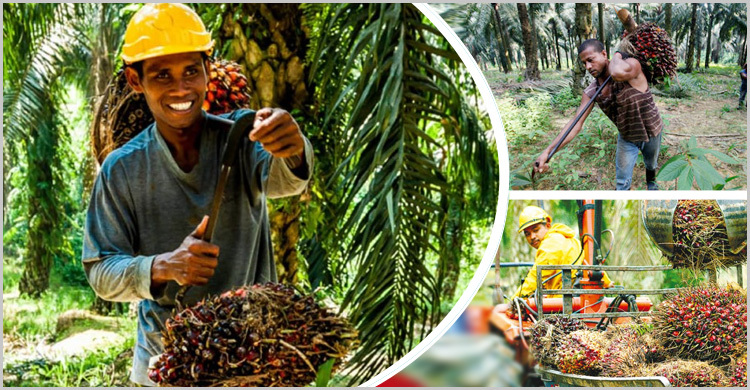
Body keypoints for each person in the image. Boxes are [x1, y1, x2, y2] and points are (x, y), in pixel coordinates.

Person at [81, 4, 313, 386]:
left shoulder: (242, 141)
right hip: (166, 365)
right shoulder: (121, 170)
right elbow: (102, 270)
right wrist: (164, 266)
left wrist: (292, 148)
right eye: (161, 75)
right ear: (135, 81)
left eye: (191, 71)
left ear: (208, 70)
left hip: (252, 358)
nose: (180, 88)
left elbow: (286, 182)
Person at [534, 39, 663, 191]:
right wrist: (548, 151)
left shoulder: (632, 66)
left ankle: (651, 183)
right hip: (628, 137)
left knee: (651, 164)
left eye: (591, 60)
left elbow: (616, 72)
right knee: (622, 183)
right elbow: (576, 123)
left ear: (603, 54)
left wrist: (618, 53)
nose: (588, 67)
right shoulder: (593, 91)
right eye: (584, 63)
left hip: (652, 129)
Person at [509, 206, 612, 301]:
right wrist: (607, 282)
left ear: (548, 225)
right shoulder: (569, 239)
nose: (532, 237)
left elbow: (535, 277)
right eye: (527, 234)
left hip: (566, 303)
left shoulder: (550, 244)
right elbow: (589, 262)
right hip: (579, 296)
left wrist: (513, 301)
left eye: (536, 230)